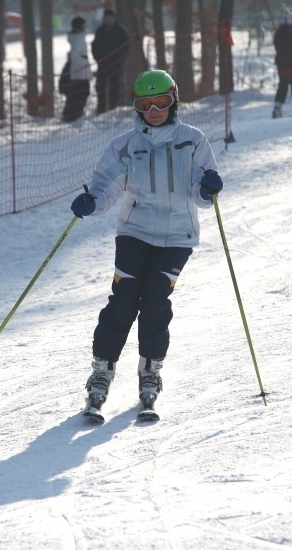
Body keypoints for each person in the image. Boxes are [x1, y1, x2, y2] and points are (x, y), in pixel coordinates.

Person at [70, 69, 223, 419]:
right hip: (135, 232)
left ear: (174, 102)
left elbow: (203, 196)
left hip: (176, 237)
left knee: (155, 301)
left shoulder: (193, 140)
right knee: (123, 299)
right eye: (146, 104)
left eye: (161, 103)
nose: (154, 110)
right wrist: (92, 202)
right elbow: (107, 186)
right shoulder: (124, 144)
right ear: (137, 108)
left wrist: (208, 186)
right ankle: (101, 371)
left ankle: (150, 370)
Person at [91, 9, 129, 114]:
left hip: (116, 64)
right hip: (102, 64)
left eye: (110, 18)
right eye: (106, 18)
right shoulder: (100, 31)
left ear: (114, 18)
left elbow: (126, 47)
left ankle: (113, 109)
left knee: (115, 87)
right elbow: (94, 46)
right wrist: (98, 58)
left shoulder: (120, 30)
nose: (108, 20)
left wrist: (120, 59)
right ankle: (101, 109)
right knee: (100, 86)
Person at [272, 9, 292, 118]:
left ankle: (277, 108)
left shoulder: (278, 33)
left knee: (283, 84)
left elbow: (277, 46)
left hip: (282, 63)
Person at [62, 16, 93, 123]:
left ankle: (75, 115)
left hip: (80, 71)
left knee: (81, 93)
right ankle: (73, 116)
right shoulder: (77, 38)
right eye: (83, 24)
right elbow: (75, 56)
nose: (85, 26)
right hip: (79, 71)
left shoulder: (79, 36)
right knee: (80, 93)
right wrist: (84, 63)